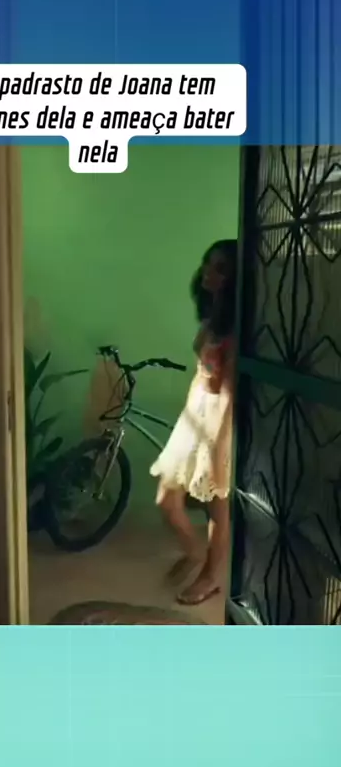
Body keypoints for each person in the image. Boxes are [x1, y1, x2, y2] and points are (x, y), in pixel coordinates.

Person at [150, 239, 237, 605]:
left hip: (220, 417)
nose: (208, 272)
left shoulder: (236, 326)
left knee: (217, 506)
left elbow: (229, 389)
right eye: (207, 263)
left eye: (220, 268)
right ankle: (193, 552)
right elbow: (201, 369)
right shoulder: (213, 316)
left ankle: (210, 576)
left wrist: (219, 444)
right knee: (167, 498)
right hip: (195, 410)